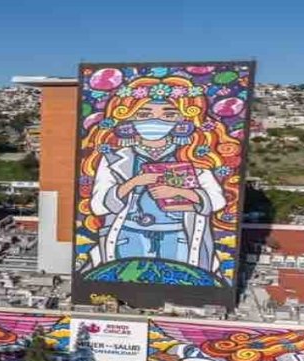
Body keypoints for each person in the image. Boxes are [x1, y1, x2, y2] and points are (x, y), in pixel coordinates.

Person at [87, 77, 232, 277]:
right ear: (128, 118)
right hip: (128, 235)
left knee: (180, 281)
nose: (155, 121)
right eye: (144, 114)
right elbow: (97, 206)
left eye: (169, 114)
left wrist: (181, 192)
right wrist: (132, 183)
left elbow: (216, 201)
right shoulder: (114, 158)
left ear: (183, 120)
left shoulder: (193, 156)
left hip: (179, 236)